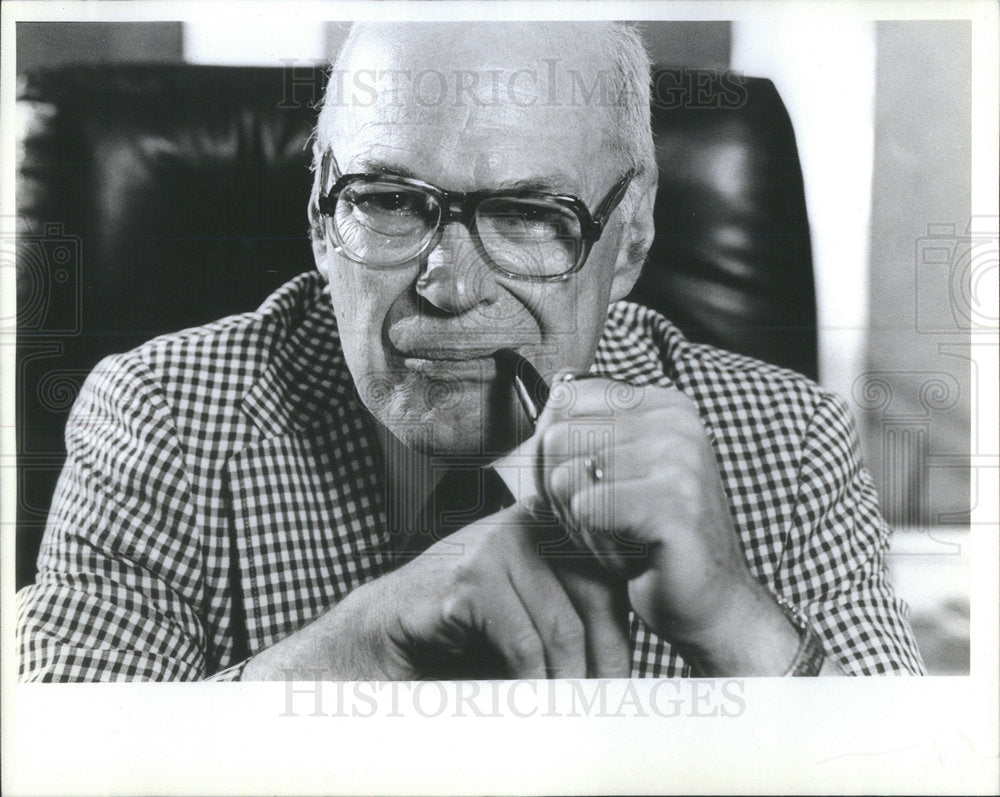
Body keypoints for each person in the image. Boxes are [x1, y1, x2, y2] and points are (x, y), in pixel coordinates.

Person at [16, 21, 925, 681]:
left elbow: (905, 777)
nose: (449, 286)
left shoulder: (791, 443)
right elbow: (56, 767)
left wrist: (735, 621)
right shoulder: (160, 417)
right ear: (321, 224)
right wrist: (359, 644)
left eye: (530, 214)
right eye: (388, 200)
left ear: (633, 240)